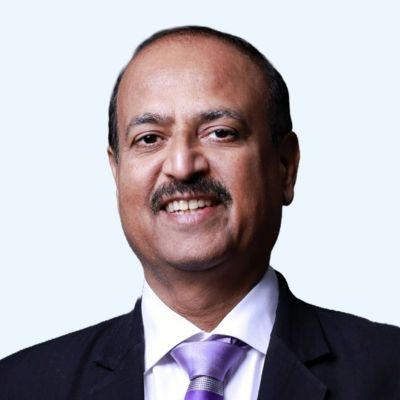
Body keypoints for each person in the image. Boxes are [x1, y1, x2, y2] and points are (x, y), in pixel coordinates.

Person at [0, 25, 399, 400]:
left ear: (284, 166)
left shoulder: (389, 371)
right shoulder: (18, 386)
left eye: (220, 132)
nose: (182, 165)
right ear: (116, 172)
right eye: (149, 138)